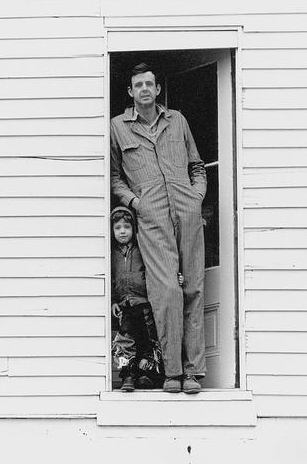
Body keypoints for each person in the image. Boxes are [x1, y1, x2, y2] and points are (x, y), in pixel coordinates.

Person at [110, 62, 207, 394]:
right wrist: (136, 204)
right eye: (138, 85)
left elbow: (197, 165)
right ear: (130, 91)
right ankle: (172, 371)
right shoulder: (118, 127)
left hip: (186, 209)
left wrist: (195, 198)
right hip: (151, 215)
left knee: (192, 287)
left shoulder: (177, 120)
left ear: (157, 89)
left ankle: (194, 371)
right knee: (166, 292)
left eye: (149, 84)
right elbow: (114, 178)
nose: (145, 90)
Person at [110, 206, 164, 391]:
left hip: (144, 302)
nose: (122, 231)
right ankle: (128, 376)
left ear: (134, 229)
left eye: (126, 227)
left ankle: (146, 375)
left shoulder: (142, 249)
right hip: (125, 306)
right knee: (126, 341)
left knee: (148, 340)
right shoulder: (111, 253)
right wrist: (113, 301)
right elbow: (110, 279)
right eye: (117, 228)